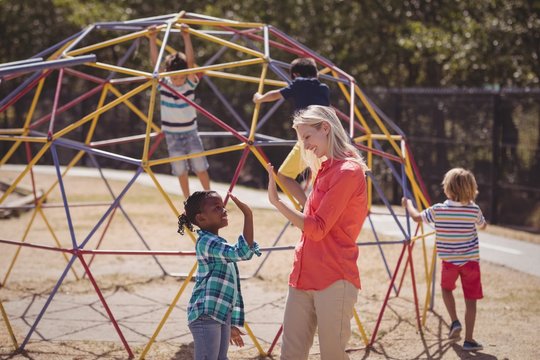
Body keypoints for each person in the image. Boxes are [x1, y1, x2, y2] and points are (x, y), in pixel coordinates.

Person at [266, 105, 368, 360]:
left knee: (332, 355)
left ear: (325, 128)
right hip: (302, 275)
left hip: (334, 277)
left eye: (307, 137)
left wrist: (278, 203)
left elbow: (318, 228)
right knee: (290, 354)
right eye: (301, 139)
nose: (304, 145)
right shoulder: (321, 170)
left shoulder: (348, 172)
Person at [402, 168, 487, 352]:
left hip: (449, 263)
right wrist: (482, 223)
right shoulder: (474, 210)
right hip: (470, 263)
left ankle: (455, 321)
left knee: (446, 290)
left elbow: (417, 217)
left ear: (447, 189)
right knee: (470, 300)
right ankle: (469, 339)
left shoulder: (439, 209)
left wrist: (408, 204)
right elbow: (483, 225)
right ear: (471, 189)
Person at [178, 190, 261, 360]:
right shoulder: (207, 243)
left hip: (218, 315)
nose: (223, 210)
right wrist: (248, 215)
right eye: (217, 208)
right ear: (201, 218)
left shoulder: (218, 244)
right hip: (206, 315)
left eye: (223, 207)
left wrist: (230, 324)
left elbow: (231, 289)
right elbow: (243, 253)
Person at [254, 57, 330, 207]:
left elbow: (276, 94)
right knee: (320, 178)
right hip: (326, 140)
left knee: (284, 175)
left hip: (307, 140)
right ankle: (318, 209)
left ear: (295, 74)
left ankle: (308, 207)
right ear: (316, 73)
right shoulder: (324, 89)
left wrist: (260, 98)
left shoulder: (299, 83)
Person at [148, 24, 210, 199]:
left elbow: (190, 63)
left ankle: (210, 197)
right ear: (168, 75)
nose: (177, 81)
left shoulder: (190, 84)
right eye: (174, 77)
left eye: (180, 76)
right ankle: (188, 200)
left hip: (190, 133)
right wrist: (152, 40)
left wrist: (186, 36)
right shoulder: (165, 85)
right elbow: (155, 65)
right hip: (172, 135)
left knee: (200, 167)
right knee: (180, 170)